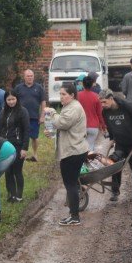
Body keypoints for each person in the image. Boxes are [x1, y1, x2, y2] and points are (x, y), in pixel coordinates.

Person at [99, 88, 132, 202]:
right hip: (120, 143)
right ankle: (115, 192)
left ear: (111, 99)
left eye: (104, 102)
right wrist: (112, 139)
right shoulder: (105, 111)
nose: (103, 105)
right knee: (115, 166)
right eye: (101, 102)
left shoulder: (127, 106)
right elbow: (110, 126)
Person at [53, 83, 88, 226]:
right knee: (71, 184)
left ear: (72, 95)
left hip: (73, 151)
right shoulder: (71, 106)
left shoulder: (74, 107)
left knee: (70, 185)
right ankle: (73, 215)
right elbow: (64, 128)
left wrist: (52, 113)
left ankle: (75, 216)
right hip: (74, 149)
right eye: (60, 94)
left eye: (64, 94)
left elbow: (62, 123)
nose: (61, 97)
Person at [0, 90, 30, 202]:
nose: (11, 102)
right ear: (5, 100)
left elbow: (26, 131)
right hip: (5, 146)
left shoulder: (23, 111)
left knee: (17, 171)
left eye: (13, 99)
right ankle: (11, 194)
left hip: (18, 145)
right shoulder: (3, 112)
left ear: (17, 99)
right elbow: (0, 129)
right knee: (8, 171)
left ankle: (19, 196)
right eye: (8, 99)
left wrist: (24, 148)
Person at [13, 69, 47, 162]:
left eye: (31, 76)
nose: (30, 77)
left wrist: (43, 116)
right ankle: (21, 154)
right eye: (28, 76)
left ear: (33, 77)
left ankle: (35, 155)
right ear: (24, 77)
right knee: (20, 136)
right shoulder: (18, 88)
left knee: (34, 137)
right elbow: (13, 100)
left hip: (34, 117)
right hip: (20, 117)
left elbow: (43, 102)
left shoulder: (39, 88)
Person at [77, 75, 106, 151]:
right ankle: (89, 161)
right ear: (92, 85)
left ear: (83, 84)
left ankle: (82, 162)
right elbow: (100, 114)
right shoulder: (96, 96)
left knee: (81, 148)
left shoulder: (77, 96)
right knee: (90, 147)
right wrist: (104, 126)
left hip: (80, 126)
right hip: (93, 127)